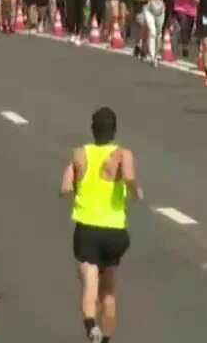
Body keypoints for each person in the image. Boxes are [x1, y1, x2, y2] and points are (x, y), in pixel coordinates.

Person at [60, 107, 142, 343]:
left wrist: (79, 185)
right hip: (115, 230)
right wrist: (136, 189)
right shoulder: (122, 154)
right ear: (114, 130)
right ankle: (106, 339)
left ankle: (90, 326)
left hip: (87, 228)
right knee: (108, 292)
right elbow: (128, 176)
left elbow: (64, 188)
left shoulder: (79, 154)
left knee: (89, 280)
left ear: (92, 129)